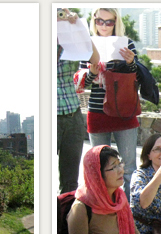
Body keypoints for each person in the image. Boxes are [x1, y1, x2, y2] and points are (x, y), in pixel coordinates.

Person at [80, 8, 139, 201]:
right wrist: (92, 73)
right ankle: (104, 209)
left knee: (129, 166)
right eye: (100, 21)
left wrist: (130, 63)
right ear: (94, 21)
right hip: (98, 110)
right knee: (99, 166)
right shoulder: (87, 45)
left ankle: (130, 212)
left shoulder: (126, 43)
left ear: (116, 22)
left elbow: (137, 76)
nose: (104, 26)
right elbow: (82, 82)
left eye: (109, 22)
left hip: (124, 110)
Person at [56, 8, 99, 194]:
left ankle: (64, 219)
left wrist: (79, 29)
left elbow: (95, 59)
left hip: (73, 115)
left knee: (70, 179)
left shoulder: (70, 42)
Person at [66, 145, 143, 234]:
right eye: (113, 167)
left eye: (119, 164)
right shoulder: (81, 209)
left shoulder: (119, 199)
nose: (121, 170)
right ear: (97, 174)